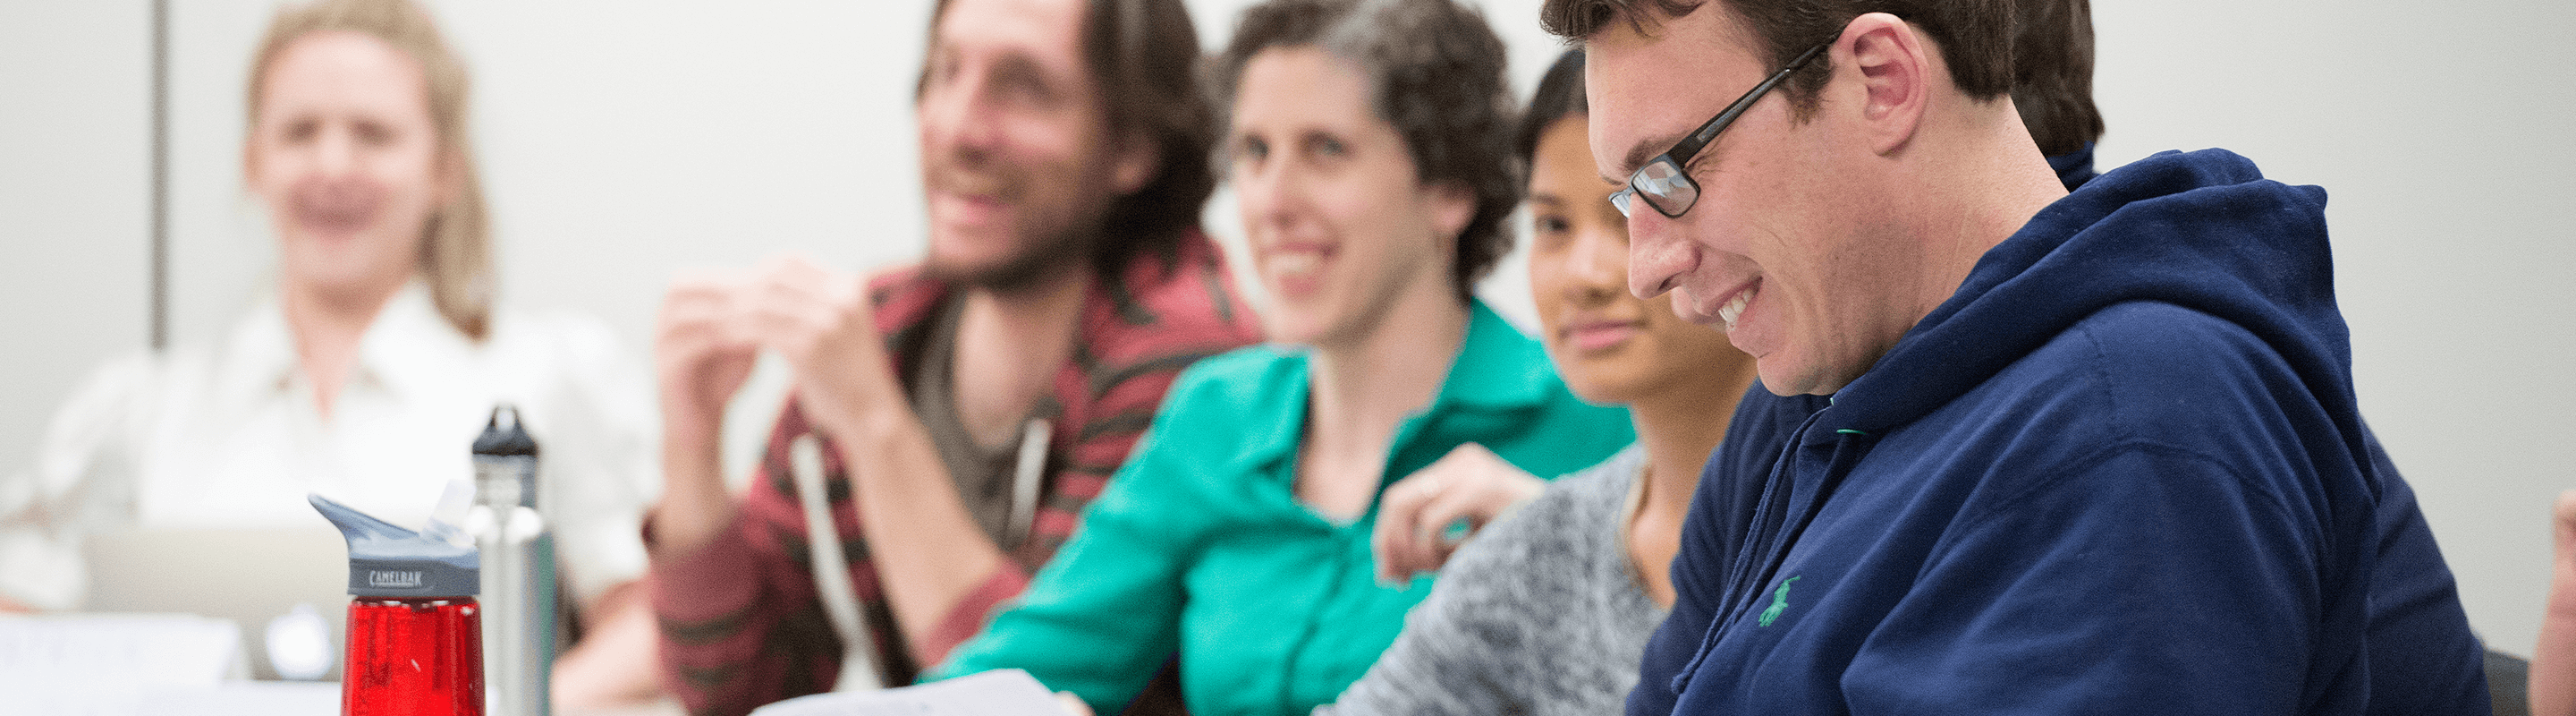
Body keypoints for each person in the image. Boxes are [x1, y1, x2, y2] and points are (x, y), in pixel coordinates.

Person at [1539, 0, 2487, 712]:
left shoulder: (2129, 428)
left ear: (1881, 80)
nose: (1644, 269)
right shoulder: (1824, 410)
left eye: (1671, 174)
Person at [928, 1, 1634, 713]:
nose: (1272, 201)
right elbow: (1003, 676)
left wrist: (1566, 560)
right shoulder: (1214, 417)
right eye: (1254, 153)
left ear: (1448, 188)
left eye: (1325, 150)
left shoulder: (1602, 418)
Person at [0, 0, 665, 705]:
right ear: (254, 164)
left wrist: (511, 705)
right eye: (299, 132)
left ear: (444, 170)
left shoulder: (548, 375)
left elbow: (650, 629)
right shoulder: (137, 409)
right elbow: (21, 616)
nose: (333, 164)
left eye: (374, 135)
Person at [640, 0, 1263, 712]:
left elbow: (1027, 694)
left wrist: (875, 424)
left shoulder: (1200, 360)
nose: (958, 129)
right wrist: (690, 449)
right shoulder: (888, 325)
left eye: (1024, 87)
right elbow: (737, 691)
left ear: (1134, 147)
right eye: (944, 72)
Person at [1316, 48, 1756, 716]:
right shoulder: (1543, 546)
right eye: (1552, 224)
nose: (1586, 274)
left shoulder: (1852, 514)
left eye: (1640, 209)